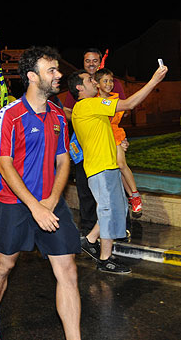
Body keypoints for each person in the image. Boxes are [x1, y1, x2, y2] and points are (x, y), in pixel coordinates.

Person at [0, 46, 81, 340]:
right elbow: (4, 164)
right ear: (31, 76)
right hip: (15, 204)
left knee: (68, 271)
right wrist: (35, 207)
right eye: (51, 70)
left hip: (51, 203)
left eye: (57, 69)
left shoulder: (58, 115)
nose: (58, 75)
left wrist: (51, 201)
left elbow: (63, 160)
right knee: (4, 266)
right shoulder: (9, 115)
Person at [69, 63, 167, 274]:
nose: (94, 82)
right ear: (79, 88)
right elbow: (129, 103)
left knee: (119, 209)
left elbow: (102, 132)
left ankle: (90, 239)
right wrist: (154, 81)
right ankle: (105, 259)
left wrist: (119, 142)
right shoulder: (88, 105)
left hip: (108, 165)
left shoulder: (89, 107)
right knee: (107, 210)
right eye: (89, 80)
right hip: (101, 169)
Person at [63, 48, 127, 236]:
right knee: (86, 188)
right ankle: (89, 230)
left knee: (115, 196)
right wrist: (80, 117)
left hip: (107, 142)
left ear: (100, 62)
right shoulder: (79, 88)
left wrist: (118, 137)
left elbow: (122, 108)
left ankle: (112, 230)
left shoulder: (111, 82)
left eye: (95, 60)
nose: (91, 64)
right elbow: (68, 109)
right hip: (85, 144)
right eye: (87, 61)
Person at [94, 68, 142, 216]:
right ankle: (130, 196)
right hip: (101, 137)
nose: (109, 84)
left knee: (121, 164)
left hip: (114, 135)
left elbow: (121, 114)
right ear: (97, 84)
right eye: (105, 81)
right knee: (115, 167)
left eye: (110, 81)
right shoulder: (92, 101)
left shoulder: (116, 99)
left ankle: (135, 195)